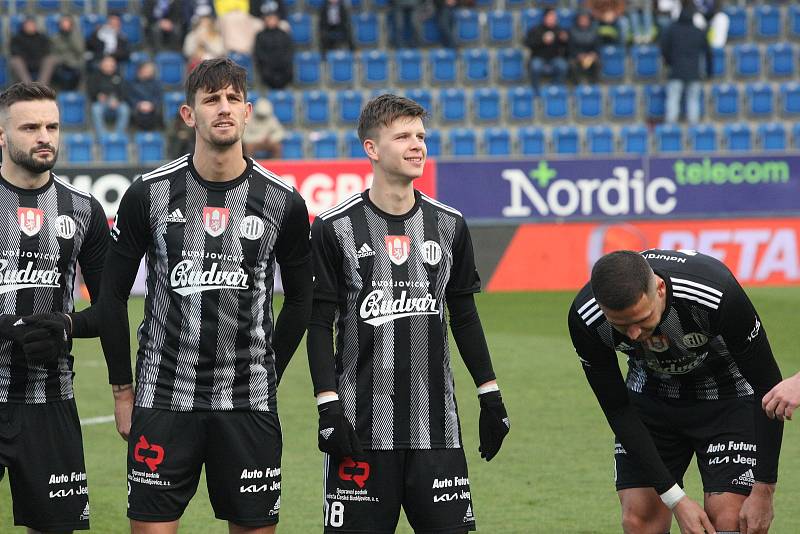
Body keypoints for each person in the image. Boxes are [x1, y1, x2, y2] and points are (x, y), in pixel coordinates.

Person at [98, 57, 312, 534]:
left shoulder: (283, 201)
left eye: (233, 99)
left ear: (248, 111)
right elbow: (110, 296)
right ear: (188, 114)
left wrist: (269, 371)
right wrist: (121, 390)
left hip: (249, 402)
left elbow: (303, 299)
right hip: (163, 397)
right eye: (211, 99)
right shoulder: (147, 195)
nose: (224, 108)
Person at [307, 94, 510, 533]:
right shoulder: (333, 227)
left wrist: (489, 394)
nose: (417, 144)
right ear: (372, 149)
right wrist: (327, 406)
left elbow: (465, 315)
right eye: (402, 136)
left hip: (436, 429)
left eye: (421, 135)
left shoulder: (449, 224)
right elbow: (319, 324)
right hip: (360, 429)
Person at [568, 249, 784, 534]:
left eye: (642, 319)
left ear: (659, 289)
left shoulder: (714, 292)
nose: (633, 334)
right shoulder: (587, 319)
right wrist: (675, 499)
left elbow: (767, 385)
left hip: (728, 395)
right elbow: (617, 408)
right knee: (640, 520)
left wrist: (764, 489)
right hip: (651, 398)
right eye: (621, 325)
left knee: (730, 520)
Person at [0, 81, 109, 533]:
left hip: (51, 400)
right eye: (30, 127)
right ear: (2, 134)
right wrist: (7, 326)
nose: (44, 136)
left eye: (52, 126)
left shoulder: (83, 209)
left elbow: (109, 310)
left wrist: (65, 325)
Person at [661, 5, 711, 124]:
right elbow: (708, 53)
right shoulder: (698, 31)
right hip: (694, 72)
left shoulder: (672, 30)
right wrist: (709, 71)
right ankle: (694, 132)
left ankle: (670, 131)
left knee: (673, 100)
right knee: (693, 101)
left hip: (676, 71)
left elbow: (664, 48)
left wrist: (668, 62)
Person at [524, 8, 569, 91]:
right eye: (551, 17)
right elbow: (528, 43)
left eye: (554, 17)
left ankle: (554, 88)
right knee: (535, 66)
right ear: (545, 17)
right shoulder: (536, 29)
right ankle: (535, 90)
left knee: (563, 66)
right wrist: (542, 40)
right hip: (538, 57)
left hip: (554, 58)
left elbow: (566, 46)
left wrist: (564, 40)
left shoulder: (559, 30)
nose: (553, 19)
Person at [87, 55, 130, 136]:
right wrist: (97, 95)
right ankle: (102, 136)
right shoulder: (94, 76)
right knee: (95, 109)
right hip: (101, 103)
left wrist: (118, 100)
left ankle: (119, 135)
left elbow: (125, 91)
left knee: (125, 109)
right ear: (101, 64)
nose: (109, 66)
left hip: (116, 102)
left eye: (111, 64)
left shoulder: (119, 76)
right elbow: (91, 91)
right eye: (106, 64)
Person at [253, 9, 294, 89]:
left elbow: (289, 52)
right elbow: (259, 53)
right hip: (267, 71)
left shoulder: (284, 34)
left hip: (284, 70)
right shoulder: (260, 36)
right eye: (269, 18)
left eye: (273, 18)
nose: (271, 21)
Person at [9, 17, 56, 86]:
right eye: (28, 25)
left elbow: (47, 50)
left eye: (32, 25)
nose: (30, 27)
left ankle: (41, 86)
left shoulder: (42, 37)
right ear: (23, 26)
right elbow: (15, 51)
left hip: (39, 62)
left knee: (51, 59)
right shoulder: (17, 38)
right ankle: (29, 86)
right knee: (15, 60)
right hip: (24, 62)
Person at [50, 15, 86, 91]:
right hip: (60, 60)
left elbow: (80, 50)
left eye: (67, 23)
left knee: (84, 65)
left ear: (71, 25)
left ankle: (81, 92)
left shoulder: (77, 36)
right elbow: (53, 51)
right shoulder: (55, 37)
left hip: (75, 60)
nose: (65, 25)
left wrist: (70, 36)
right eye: (63, 23)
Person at [126, 61, 164, 131]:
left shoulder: (156, 83)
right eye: (147, 70)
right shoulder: (131, 83)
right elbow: (130, 97)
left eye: (151, 70)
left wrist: (152, 104)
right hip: (137, 107)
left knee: (160, 110)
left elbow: (159, 96)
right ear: (140, 70)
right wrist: (139, 104)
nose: (150, 72)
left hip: (152, 107)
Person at [568, 11, 600, 84]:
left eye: (586, 19)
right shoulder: (572, 31)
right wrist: (578, 55)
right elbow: (570, 47)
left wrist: (593, 54)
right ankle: (577, 85)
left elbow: (597, 46)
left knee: (597, 62)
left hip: (589, 56)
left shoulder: (594, 31)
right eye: (582, 19)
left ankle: (593, 84)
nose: (584, 21)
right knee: (572, 64)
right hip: (576, 56)